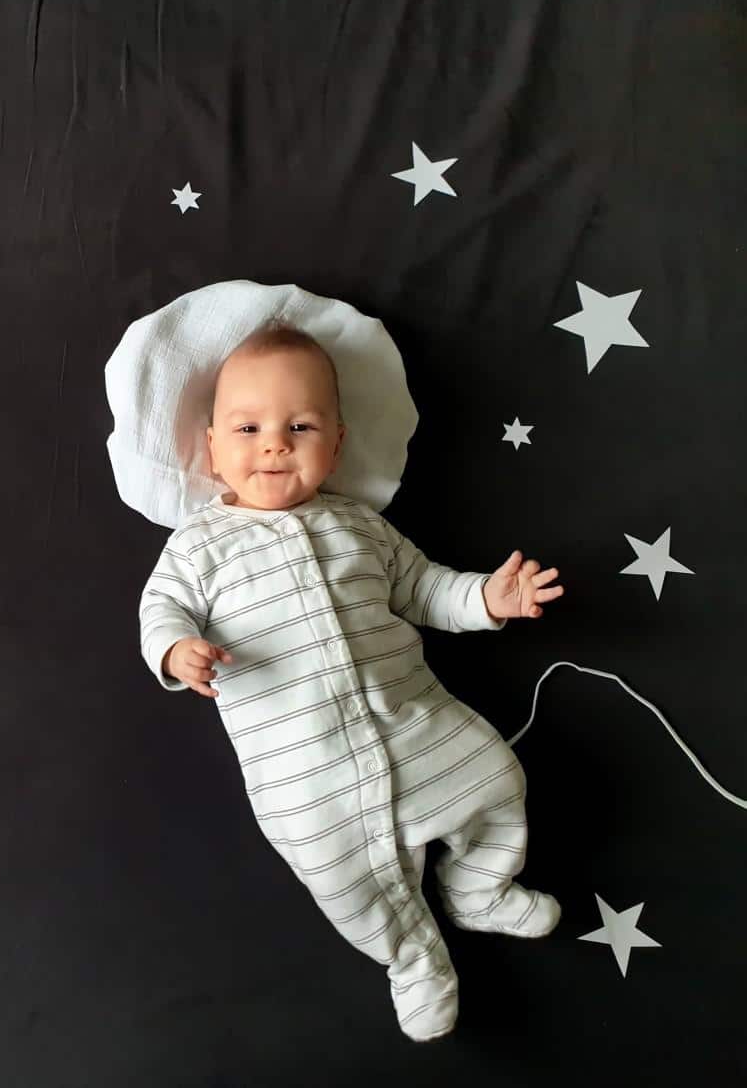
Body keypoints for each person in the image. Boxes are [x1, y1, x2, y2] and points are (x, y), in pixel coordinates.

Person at [138, 320, 565, 1042]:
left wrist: (489, 599)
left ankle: (475, 889)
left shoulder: (360, 526)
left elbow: (424, 589)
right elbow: (160, 609)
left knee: (495, 777)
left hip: (413, 723)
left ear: (335, 445)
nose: (273, 443)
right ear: (211, 448)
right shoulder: (197, 547)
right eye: (247, 427)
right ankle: (413, 960)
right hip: (303, 771)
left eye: (299, 425)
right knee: (342, 878)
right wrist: (176, 650)